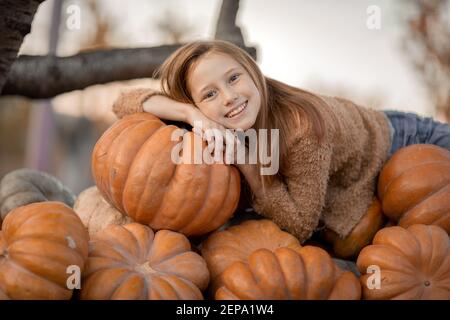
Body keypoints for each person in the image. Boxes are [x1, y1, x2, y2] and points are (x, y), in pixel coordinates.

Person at [112, 40, 450, 244]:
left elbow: (301, 225)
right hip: (365, 126)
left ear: (253, 71)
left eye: (234, 78)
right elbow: (123, 102)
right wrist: (190, 116)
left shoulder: (302, 129)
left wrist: (246, 162)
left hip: (404, 140)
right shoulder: (207, 116)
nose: (229, 98)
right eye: (210, 93)